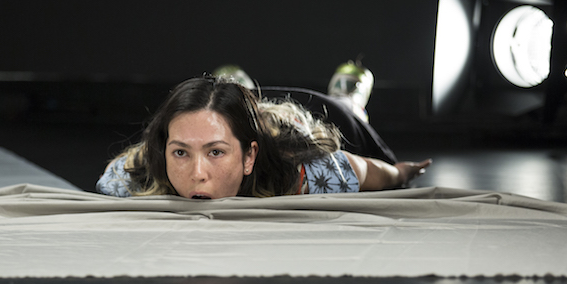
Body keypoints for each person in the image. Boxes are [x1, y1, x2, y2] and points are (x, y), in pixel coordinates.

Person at [96, 68, 431, 199]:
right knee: (223, 102)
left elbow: (373, 171)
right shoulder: (128, 179)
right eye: (181, 152)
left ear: (249, 157)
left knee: (344, 112)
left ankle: (350, 98)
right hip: (238, 114)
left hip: (305, 115)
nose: (197, 174)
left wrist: (403, 171)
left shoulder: (310, 173)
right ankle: (232, 82)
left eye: (216, 152)